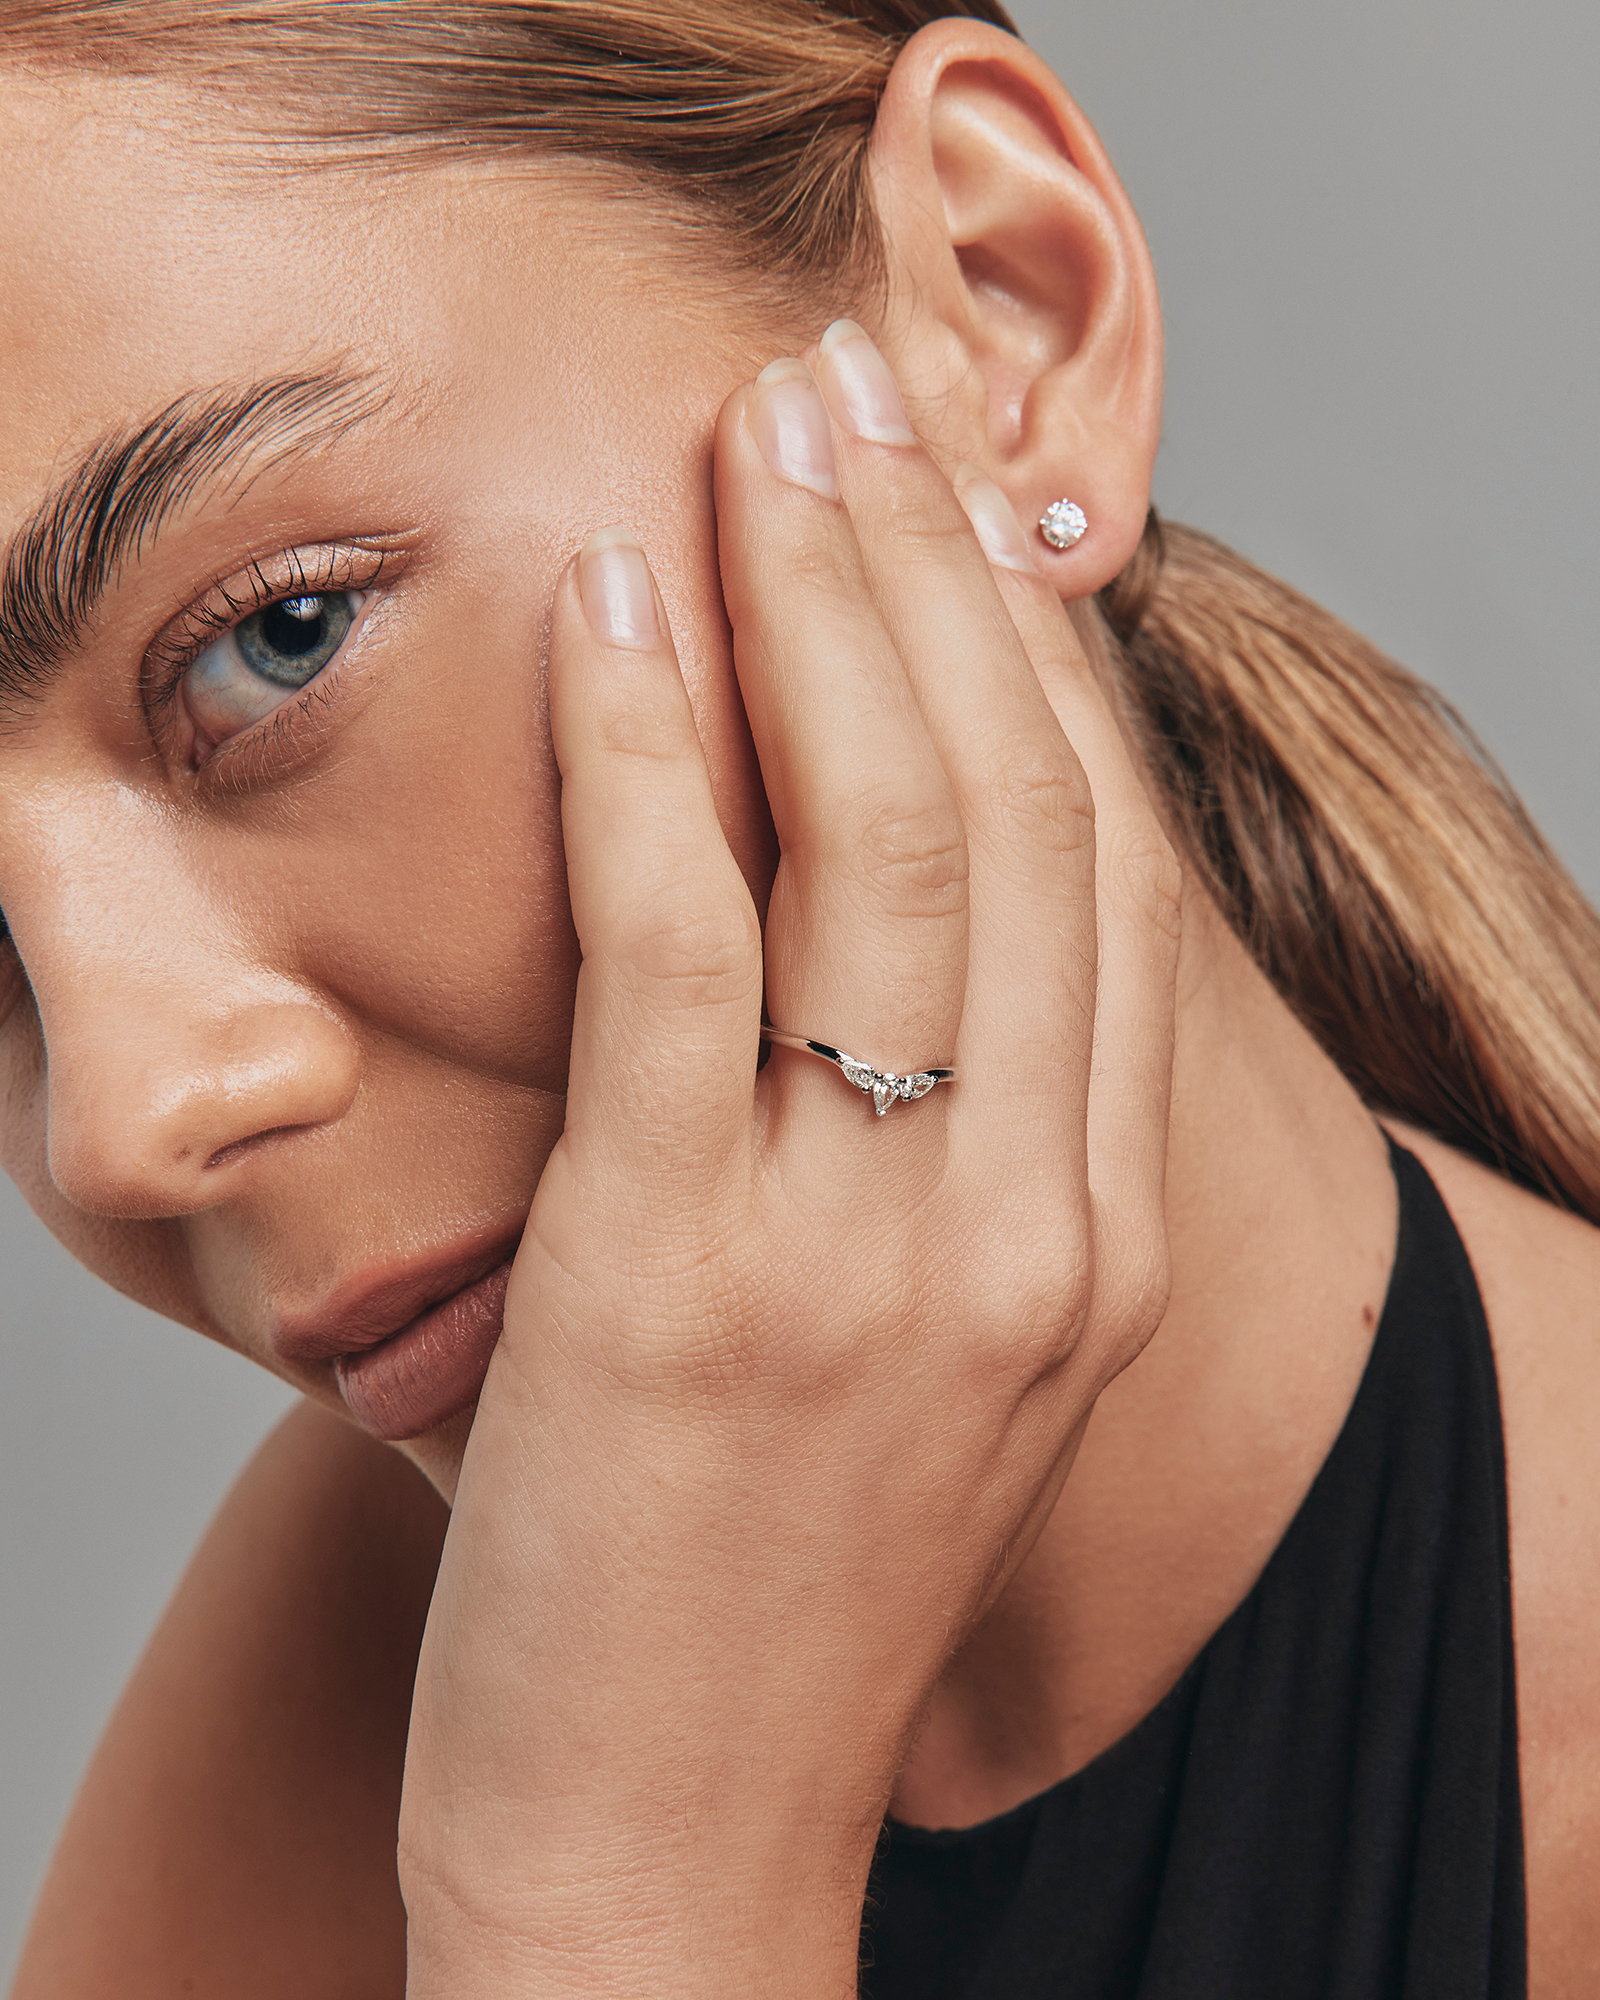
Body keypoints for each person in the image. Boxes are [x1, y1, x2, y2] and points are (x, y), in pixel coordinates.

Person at [2, 1, 1597, 1994]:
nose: (118, 1120)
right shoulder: (360, 1624)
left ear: (999, 320)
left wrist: (611, 1913)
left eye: (278, 637)